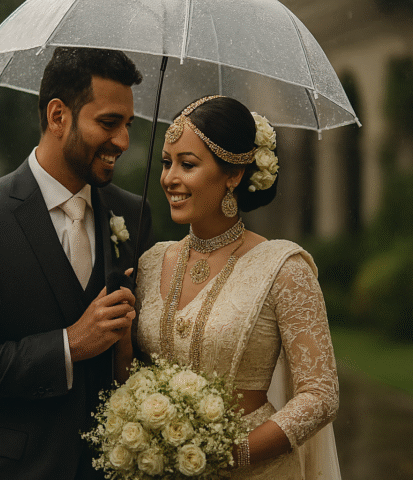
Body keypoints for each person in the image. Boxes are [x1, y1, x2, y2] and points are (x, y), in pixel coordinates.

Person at [0, 47, 153, 479]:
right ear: (57, 115)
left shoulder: (134, 215)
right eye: (108, 123)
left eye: (127, 125)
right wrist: (68, 345)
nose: (122, 141)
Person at [130, 95, 341, 479]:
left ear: (234, 174)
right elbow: (130, 372)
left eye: (187, 164)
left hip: (256, 470)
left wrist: (228, 453)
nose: (169, 178)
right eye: (166, 162)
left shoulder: (282, 268)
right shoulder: (149, 263)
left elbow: (320, 396)